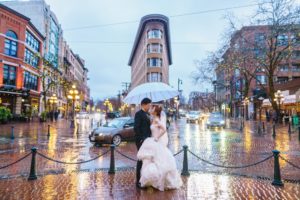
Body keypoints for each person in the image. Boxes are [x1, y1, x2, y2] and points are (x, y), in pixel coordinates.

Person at [137, 105, 182, 191]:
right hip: (152, 141)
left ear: (156, 111)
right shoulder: (153, 118)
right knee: (152, 161)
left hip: (156, 141)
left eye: (152, 108)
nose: (151, 109)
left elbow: (164, 129)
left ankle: (159, 180)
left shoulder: (157, 119)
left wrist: (157, 137)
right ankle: (152, 180)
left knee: (159, 161)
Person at [134, 98, 152, 189]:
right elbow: (136, 128)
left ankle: (144, 179)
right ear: (144, 105)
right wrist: (142, 139)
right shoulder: (138, 114)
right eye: (149, 105)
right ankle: (138, 182)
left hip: (148, 140)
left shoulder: (148, 114)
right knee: (140, 160)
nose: (150, 106)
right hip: (141, 141)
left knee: (147, 160)